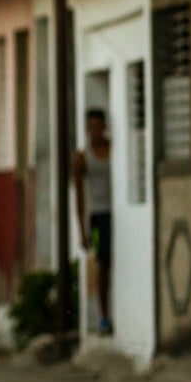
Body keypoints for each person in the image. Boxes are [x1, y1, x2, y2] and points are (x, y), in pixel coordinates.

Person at [71, 108, 115, 336]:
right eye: (91, 128)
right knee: (102, 262)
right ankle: (103, 316)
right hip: (97, 216)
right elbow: (79, 195)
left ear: (105, 127)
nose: (95, 132)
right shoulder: (82, 157)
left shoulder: (114, 150)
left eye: (99, 127)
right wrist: (82, 230)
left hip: (116, 213)